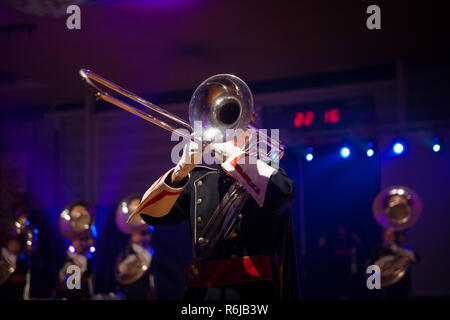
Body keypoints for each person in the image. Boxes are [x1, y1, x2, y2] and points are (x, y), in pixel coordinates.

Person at [130, 126, 299, 300]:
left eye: (235, 129)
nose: (226, 135)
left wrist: (237, 158)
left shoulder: (266, 172)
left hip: (255, 292)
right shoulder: (198, 179)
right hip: (205, 292)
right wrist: (179, 173)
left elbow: (284, 194)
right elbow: (150, 214)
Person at [367, 229, 419, 299]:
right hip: (385, 290)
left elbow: (415, 259)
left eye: (391, 235)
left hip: (401, 288)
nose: (389, 238)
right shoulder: (377, 250)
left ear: (395, 237)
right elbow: (370, 274)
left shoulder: (401, 249)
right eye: (387, 235)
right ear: (383, 236)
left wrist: (399, 250)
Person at [115, 226, 156, 300]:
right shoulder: (127, 250)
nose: (135, 234)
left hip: (143, 285)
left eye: (137, 233)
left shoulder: (147, 249)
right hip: (130, 285)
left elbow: (148, 261)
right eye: (134, 233)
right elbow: (120, 269)